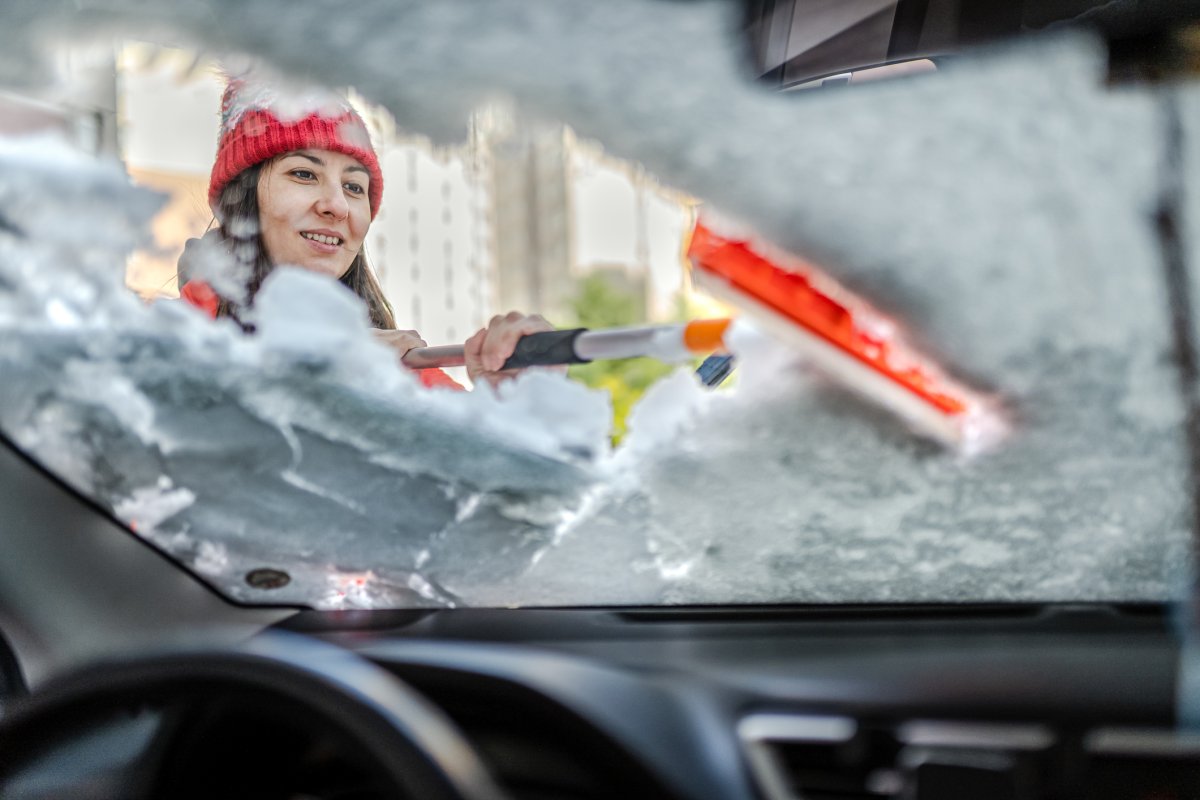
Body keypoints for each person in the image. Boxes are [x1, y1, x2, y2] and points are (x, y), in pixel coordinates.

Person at [179, 77, 552, 389]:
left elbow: (511, 474)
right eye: (304, 174)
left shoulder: (397, 369)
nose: (337, 206)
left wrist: (516, 407)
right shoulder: (166, 343)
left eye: (354, 187)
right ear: (241, 200)